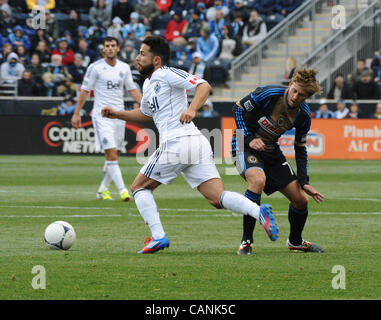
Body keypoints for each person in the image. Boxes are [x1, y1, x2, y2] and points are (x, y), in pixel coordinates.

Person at [101, 35, 279, 254]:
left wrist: (192, 108)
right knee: (217, 198)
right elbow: (146, 114)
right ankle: (258, 212)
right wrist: (118, 114)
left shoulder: (167, 73)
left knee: (138, 187)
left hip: (178, 142)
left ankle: (158, 237)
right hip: (195, 144)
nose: (137, 58)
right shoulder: (148, 84)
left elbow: (203, 85)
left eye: (142, 54)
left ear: (156, 60)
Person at [231, 68, 325, 255]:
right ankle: (246, 241)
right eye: (295, 90)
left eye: (302, 95)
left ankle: (295, 242)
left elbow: (300, 147)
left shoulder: (304, 115)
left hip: (270, 150)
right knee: (257, 181)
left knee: (301, 200)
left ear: (307, 97)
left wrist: (304, 181)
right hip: (243, 143)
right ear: (291, 84)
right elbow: (238, 109)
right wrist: (249, 138)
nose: (296, 96)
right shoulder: (268, 93)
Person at [71, 36, 142, 202]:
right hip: (101, 116)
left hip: (119, 115)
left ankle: (102, 190)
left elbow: (131, 89)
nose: (110, 48)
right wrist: (76, 113)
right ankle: (123, 190)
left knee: (114, 154)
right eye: (107, 46)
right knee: (111, 153)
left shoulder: (124, 68)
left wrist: (145, 104)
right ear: (104, 49)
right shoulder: (95, 68)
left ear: (118, 49)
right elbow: (84, 90)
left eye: (113, 46)